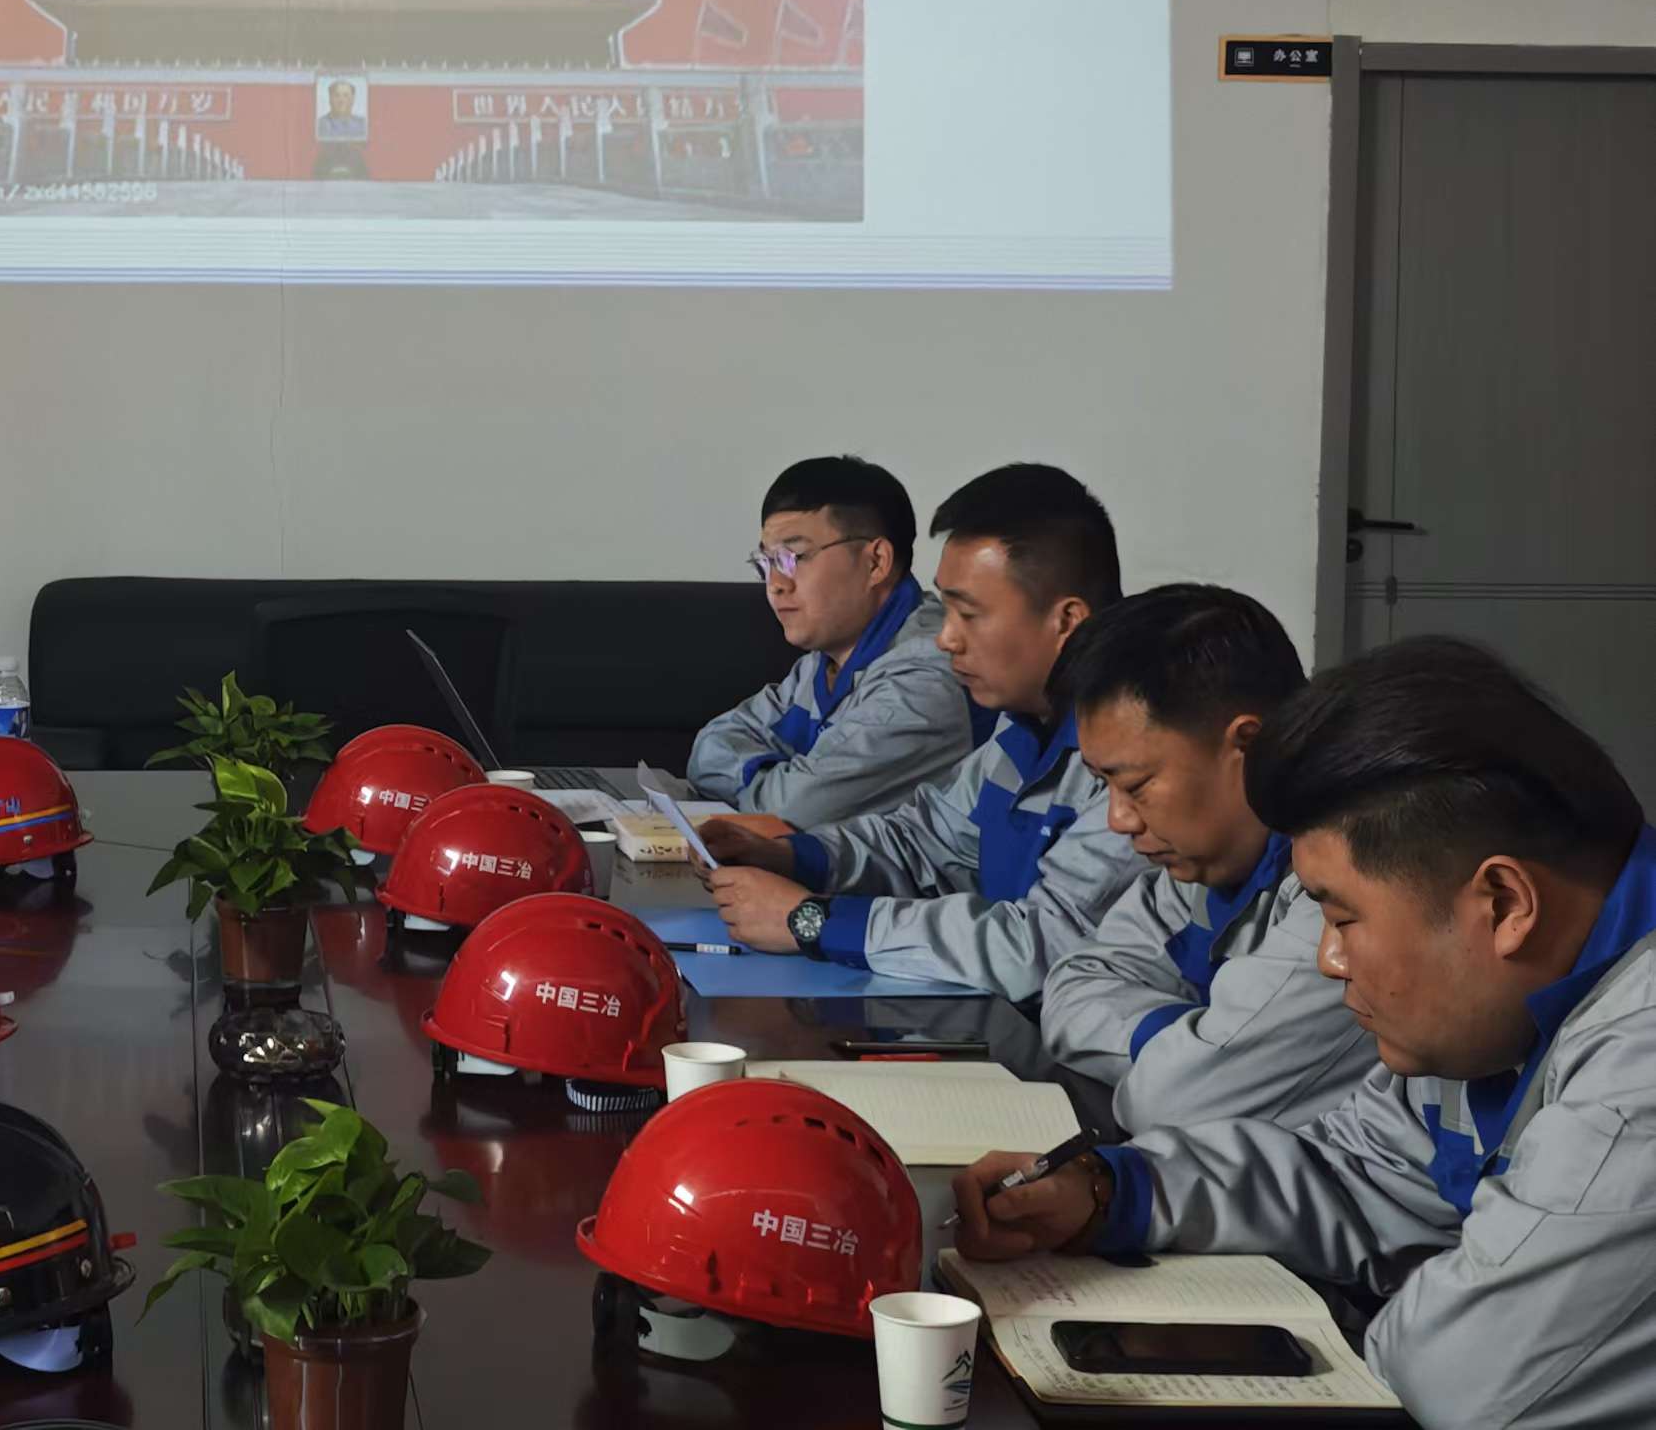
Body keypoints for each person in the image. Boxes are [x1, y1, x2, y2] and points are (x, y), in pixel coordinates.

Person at [952, 639, 1656, 1430]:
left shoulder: (1637, 1077)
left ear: (1504, 903)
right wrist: (1114, 1190)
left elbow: (1460, 1377)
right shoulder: (1498, 1010)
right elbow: (1357, 1168)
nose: (1329, 960)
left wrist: (1368, 1320)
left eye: (1343, 917)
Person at [696, 463, 1138, 999]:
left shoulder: (1135, 761)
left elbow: (1040, 945)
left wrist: (813, 921)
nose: (946, 639)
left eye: (969, 615)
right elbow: (923, 843)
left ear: (1066, 621)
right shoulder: (1023, 727)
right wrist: (792, 856)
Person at [1039, 584, 1375, 1132]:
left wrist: (1188, 1056)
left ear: (1249, 744)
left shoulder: (1346, 894)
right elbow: (1073, 985)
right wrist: (1186, 1038)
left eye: (1136, 785)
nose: (1119, 820)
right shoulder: (1199, 866)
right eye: (1103, 786)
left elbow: (1173, 1102)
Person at [686, 455, 976, 822]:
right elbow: (709, 748)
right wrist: (775, 781)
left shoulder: (926, 675)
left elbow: (792, 811)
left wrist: (766, 783)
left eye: (793, 557)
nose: (775, 584)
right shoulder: (823, 662)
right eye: (766, 563)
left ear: (876, 562)